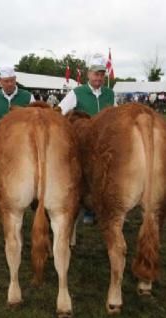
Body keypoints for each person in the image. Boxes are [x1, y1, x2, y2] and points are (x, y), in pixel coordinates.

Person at [58, 55, 116, 224]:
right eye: (95, 74)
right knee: (86, 176)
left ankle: (106, 207)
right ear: (88, 75)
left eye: (101, 75)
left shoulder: (110, 93)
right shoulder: (77, 93)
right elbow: (60, 112)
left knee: (108, 176)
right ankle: (89, 209)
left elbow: (117, 115)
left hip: (106, 143)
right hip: (84, 144)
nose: (98, 78)